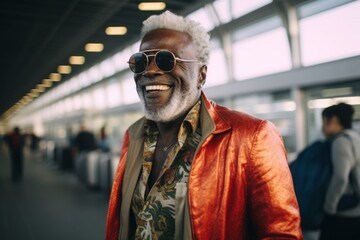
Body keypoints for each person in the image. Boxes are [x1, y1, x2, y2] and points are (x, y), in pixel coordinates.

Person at [105, 11, 302, 240]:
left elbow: (282, 234)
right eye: (140, 62)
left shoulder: (252, 138)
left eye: (166, 60)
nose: (149, 71)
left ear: (201, 75)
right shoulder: (134, 135)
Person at [320, 103, 360, 240]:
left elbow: (341, 177)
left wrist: (329, 208)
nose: (322, 129)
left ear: (335, 120)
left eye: (324, 122)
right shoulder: (355, 137)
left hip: (346, 212)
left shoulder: (341, 141)